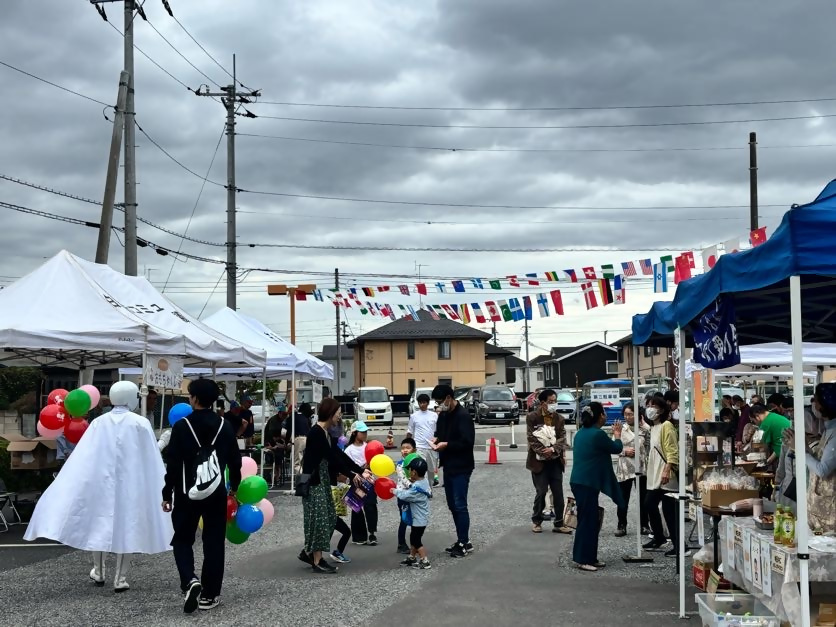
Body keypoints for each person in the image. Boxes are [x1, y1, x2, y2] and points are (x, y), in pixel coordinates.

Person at [25, 381, 173, 593]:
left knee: (100, 522)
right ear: (131, 397)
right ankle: (120, 579)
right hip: (131, 483)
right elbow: (150, 455)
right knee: (127, 525)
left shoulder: (98, 423)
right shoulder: (140, 423)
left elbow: (86, 454)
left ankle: (99, 571)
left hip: (101, 481)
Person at [162, 378, 242, 613]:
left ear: (194, 399)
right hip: (216, 492)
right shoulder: (224, 425)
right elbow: (235, 462)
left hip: (187, 493)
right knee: (214, 542)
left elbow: (173, 465)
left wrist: (167, 492)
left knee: (182, 539)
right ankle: (210, 594)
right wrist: (234, 487)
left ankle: (189, 580)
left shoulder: (181, 426)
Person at [299, 398, 370, 574]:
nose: (340, 415)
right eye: (338, 412)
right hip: (314, 483)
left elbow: (340, 456)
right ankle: (317, 560)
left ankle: (309, 553)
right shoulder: (317, 432)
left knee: (329, 517)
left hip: (322, 482)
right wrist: (352, 474)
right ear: (331, 413)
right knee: (319, 520)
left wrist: (358, 472)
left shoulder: (325, 433)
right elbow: (332, 458)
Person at [569, 402, 624, 572]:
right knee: (588, 521)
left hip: (580, 481)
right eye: (604, 413)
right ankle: (583, 559)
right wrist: (617, 434)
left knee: (589, 519)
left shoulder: (579, 434)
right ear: (600, 416)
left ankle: (590, 557)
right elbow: (616, 448)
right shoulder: (597, 435)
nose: (606, 416)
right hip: (587, 483)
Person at [431, 384, 475, 558]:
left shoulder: (463, 416)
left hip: (462, 466)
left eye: (441, 401)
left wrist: (447, 445)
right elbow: (440, 433)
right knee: (452, 505)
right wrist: (436, 439)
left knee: (459, 504)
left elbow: (467, 442)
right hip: (448, 464)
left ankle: (464, 542)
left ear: (450, 398)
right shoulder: (443, 416)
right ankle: (462, 539)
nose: (439, 405)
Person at [526, 388, 572, 534]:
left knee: (558, 492)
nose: (553, 404)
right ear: (543, 402)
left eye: (555, 401)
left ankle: (559, 523)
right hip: (538, 461)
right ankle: (537, 521)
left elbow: (562, 438)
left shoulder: (559, 418)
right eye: (551, 402)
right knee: (541, 491)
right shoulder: (532, 417)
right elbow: (531, 438)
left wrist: (552, 450)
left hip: (555, 460)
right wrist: (542, 451)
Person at [643, 396, 680, 557]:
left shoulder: (666, 426)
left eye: (654, 406)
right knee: (650, 505)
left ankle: (679, 546)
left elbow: (672, 450)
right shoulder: (654, 427)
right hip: (656, 474)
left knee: (668, 511)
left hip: (666, 474)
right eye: (648, 405)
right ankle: (659, 537)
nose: (650, 408)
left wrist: (667, 469)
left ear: (662, 409)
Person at [806, 383, 836, 533]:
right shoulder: (828, 428)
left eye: (816, 400)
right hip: (818, 505)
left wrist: (801, 452)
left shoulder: (835, 433)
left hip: (829, 511)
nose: (814, 405)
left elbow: (823, 470)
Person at [613, 403, 647, 537]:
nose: (627, 417)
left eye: (630, 414)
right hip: (625, 467)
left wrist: (644, 425)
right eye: (625, 414)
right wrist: (624, 451)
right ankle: (621, 524)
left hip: (641, 467)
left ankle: (644, 524)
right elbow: (614, 447)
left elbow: (651, 443)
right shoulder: (621, 429)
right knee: (622, 498)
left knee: (643, 498)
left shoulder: (644, 428)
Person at [393, 456, 433, 570]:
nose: (408, 472)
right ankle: (411, 557)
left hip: (419, 519)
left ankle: (424, 560)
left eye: (409, 470)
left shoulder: (416, 488)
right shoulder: (423, 482)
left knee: (416, 540)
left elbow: (406, 495)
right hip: (421, 518)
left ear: (414, 472)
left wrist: (394, 491)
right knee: (414, 537)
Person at [344, 422, 379, 545]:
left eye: (365, 432)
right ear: (354, 433)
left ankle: (372, 533)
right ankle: (359, 536)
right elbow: (347, 466)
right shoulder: (349, 450)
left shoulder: (369, 447)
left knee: (371, 505)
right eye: (362, 432)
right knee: (357, 508)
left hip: (369, 480)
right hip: (356, 481)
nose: (364, 434)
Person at [407, 394, 439, 487]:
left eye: (424, 402)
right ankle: (423, 489)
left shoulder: (434, 416)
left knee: (431, 470)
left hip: (431, 447)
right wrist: (407, 444)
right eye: (420, 402)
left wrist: (437, 441)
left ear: (428, 403)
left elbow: (439, 431)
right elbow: (410, 431)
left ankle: (430, 489)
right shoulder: (414, 416)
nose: (422, 405)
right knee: (421, 469)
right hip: (419, 447)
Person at [395, 437, 417, 554]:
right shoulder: (400, 464)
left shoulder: (417, 463)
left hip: (414, 496)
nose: (405, 450)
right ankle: (401, 543)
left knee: (415, 519)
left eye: (408, 448)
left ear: (414, 450)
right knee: (404, 519)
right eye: (403, 448)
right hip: (403, 496)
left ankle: (415, 543)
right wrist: (412, 485)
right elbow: (403, 479)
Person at [284, 402, 313, 475]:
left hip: (299, 439)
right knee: (305, 462)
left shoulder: (292, 417)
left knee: (297, 463)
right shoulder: (306, 418)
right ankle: (307, 478)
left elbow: (289, 432)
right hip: (307, 439)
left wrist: (286, 443)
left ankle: (301, 481)